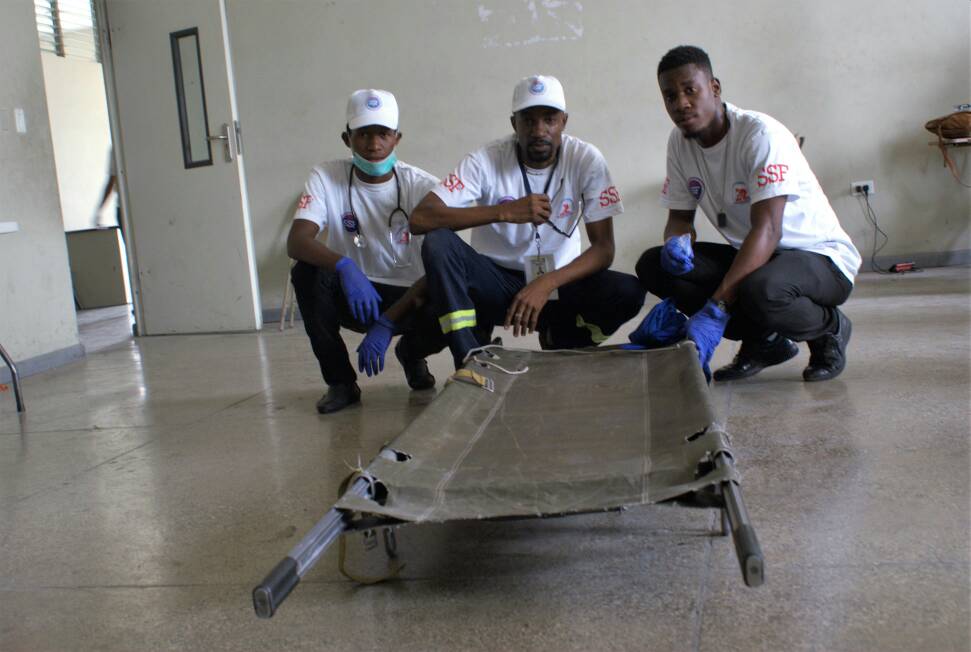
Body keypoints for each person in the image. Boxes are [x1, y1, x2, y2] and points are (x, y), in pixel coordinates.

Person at [634, 46, 861, 382]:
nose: (680, 104)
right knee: (654, 265)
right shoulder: (679, 144)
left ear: (714, 88)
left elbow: (768, 230)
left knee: (761, 290)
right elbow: (680, 218)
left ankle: (829, 329)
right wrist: (676, 245)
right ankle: (765, 341)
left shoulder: (759, 135)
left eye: (689, 90)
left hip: (820, 257)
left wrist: (716, 308)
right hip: (759, 257)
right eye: (670, 96)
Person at [410, 75, 645, 367]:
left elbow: (604, 249)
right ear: (514, 124)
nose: (539, 130)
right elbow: (420, 218)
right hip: (496, 283)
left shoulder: (586, 159)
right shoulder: (486, 160)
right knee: (438, 241)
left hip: (559, 283)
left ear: (564, 122)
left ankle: (564, 339)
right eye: (528, 120)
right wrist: (502, 212)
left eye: (549, 119)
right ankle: (468, 353)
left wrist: (546, 284)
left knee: (628, 292)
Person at [287, 89, 447, 414]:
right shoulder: (326, 176)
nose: (374, 145)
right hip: (354, 294)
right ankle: (340, 383)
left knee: (450, 296)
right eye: (363, 135)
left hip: (411, 298)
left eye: (383, 134)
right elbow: (297, 241)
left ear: (397, 139)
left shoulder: (423, 186)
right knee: (305, 273)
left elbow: (444, 262)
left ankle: (412, 353)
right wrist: (345, 266)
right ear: (347, 139)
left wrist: (389, 321)